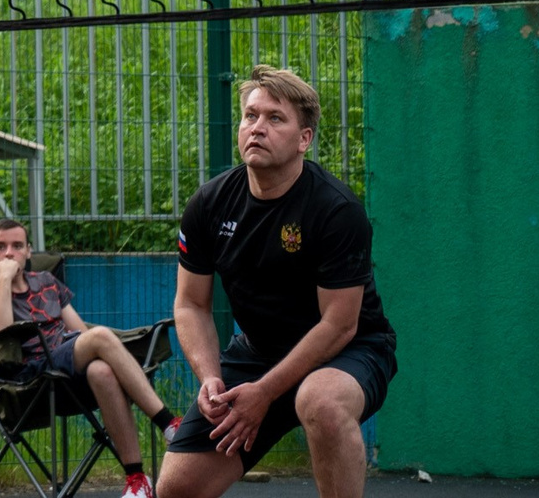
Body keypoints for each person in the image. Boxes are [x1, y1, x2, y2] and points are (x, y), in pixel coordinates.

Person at [160, 67, 394, 498]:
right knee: (177, 489)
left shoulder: (335, 209)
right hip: (257, 354)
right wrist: (210, 377)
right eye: (250, 116)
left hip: (350, 350)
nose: (257, 128)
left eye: (275, 118)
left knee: (319, 402)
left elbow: (339, 325)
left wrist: (265, 392)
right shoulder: (209, 204)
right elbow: (191, 304)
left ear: (304, 138)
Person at [0, 217, 180, 498]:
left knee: (101, 371)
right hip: (33, 375)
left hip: (65, 365)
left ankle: (136, 479)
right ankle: (168, 423)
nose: (9, 253)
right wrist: (5, 279)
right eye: (1, 247)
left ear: (29, 251)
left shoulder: (46, 281)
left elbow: (78, 331)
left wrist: (91, 349)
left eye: (17, 246)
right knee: (101, 336)